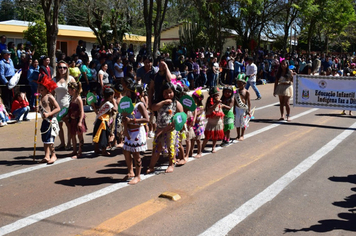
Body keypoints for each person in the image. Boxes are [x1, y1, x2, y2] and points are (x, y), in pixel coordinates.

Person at [147, 82, 183, 174]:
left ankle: (171, 164)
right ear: (162, 93)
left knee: (171, 148)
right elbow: (153, 108)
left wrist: (175, 124)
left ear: (173, 92)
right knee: (156, 148)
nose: (168, 95)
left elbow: (182, 115)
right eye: (165, 93)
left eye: (170, 92)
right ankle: (151, 166)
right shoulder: (159, 103)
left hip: (171, 129)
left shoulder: (176, 103)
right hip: (159, 129)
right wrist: (163, 102)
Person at [122, 83, 149, 185]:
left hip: (137, 132)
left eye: (129, 91)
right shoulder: (127, 104)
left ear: (134, 93)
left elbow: (147, 119)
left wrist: (133, 120)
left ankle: (138, 176)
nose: (127, 93)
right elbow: (124, 118)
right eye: (126, 91)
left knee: (136, 154)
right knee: (126, 150)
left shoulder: (139, 105)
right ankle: (130, 171)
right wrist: (125, 128)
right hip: (129, 131)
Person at [37, 75, 60, 164]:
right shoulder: (39, 97)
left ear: (47, 88)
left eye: (42, 86)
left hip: (50, 120)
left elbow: (58, 108)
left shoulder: (49, 96)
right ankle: (46, 156)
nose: (40, 88)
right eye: (39, 86)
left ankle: (53, 155)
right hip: (44, 121)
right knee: (45, 139)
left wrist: (49, 114)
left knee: (50, 140)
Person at [54, 61, 76, 150]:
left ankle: (69, 143)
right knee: (59, 125)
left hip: (67, 105)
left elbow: (76, 92)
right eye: (60, 67)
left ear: (67, 69)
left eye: (64, 67)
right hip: (57, 105)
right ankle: (62, 143)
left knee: (68, 124)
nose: (62, 69)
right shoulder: (54, 79)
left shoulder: (70, 79)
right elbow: (51, 93)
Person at [93, 88, 116, 156]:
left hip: (99, 120)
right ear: (110, 96)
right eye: (113, 96)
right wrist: (114, 102)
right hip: (104, 121)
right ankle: (104, 151)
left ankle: (96, 149)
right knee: (104, 136)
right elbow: (115, 109)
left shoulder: (103, 101)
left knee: (98, 134)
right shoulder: (108, 104)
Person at [202, 87, 226, 153]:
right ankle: (202, 147)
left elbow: (222, 114)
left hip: (218, 123)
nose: (218, 96)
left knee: (215, 137)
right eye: (216, 95)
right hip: (211, 123)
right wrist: (216, 103)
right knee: (207, 136)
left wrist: (222, 123)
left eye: (218, 95)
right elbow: (210, 110)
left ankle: (213, 147)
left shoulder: (219, 104)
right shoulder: (210, 103)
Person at [67, 81, 87, 159]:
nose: (68, 91)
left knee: (79, 135)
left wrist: (80, 121)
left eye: (69, 90)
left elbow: (82, 111)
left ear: (74, 90)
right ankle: (74, 150)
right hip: (72, 120)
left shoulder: (78, 99)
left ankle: (80, 151)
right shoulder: (72, 98)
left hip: (78, 119)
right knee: (72, 135)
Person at [190, 87, 206, 158]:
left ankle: (199, 152)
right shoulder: (194, 106)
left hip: (199, 125)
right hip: (193, 124)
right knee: (192, 139)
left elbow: (196, 114)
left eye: (193, 98)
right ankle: (191, 151)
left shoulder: (201, 107)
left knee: (198, 140)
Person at [234, 74, 251, 141]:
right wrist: (233, 109)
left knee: (243, 123)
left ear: (244, 84)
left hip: (243, 109)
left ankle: (242, 135)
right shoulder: (235, 91)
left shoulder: (247, 92)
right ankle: (238, 135)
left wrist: (249, 110)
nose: (239, 85)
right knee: (237, 122)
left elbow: (249, 102)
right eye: (238, 83)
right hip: (237, 108)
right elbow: (234, 100)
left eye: (241, 83)